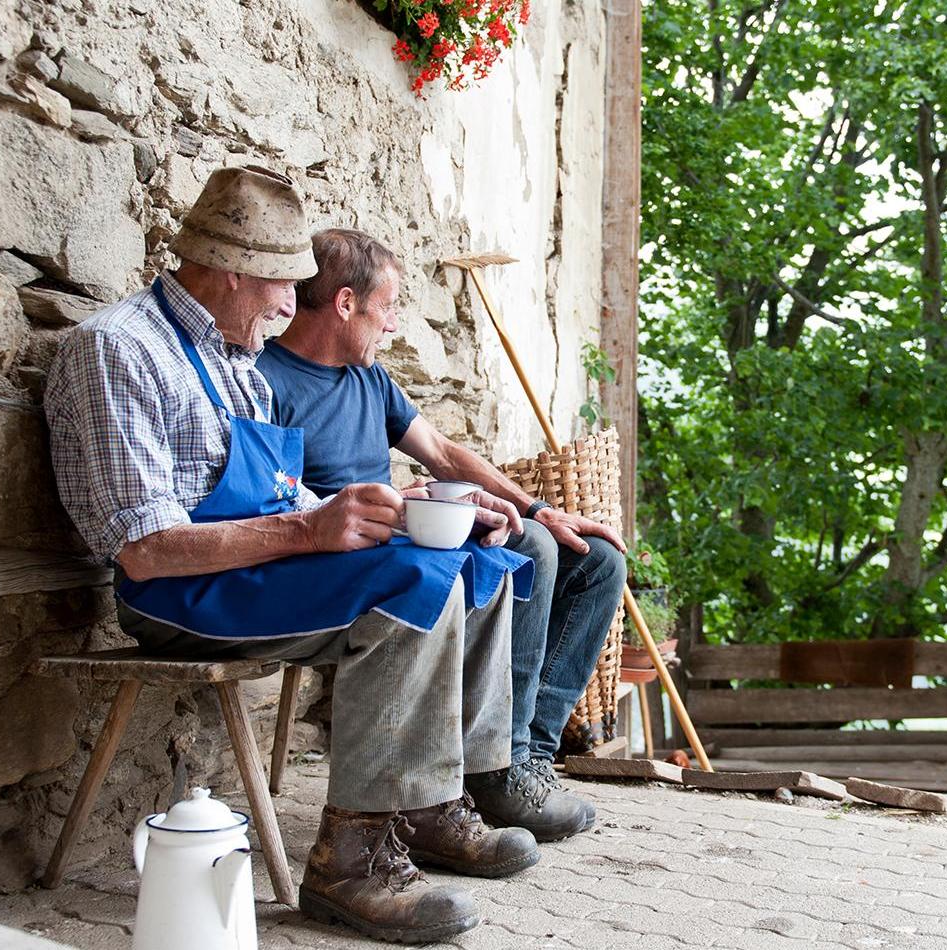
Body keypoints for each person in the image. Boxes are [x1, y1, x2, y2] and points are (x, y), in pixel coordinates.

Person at [45, 166, 538, 944]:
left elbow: (287, 500)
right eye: (283, 285)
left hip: (256, 569)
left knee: (472, 559)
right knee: (414, 578)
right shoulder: (119, 350)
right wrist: (314, 534)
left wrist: (421, 512)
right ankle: (351, 864)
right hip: (179, 594)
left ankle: (430, 800)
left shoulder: (236, 360)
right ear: (233, 271)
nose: (289, 307)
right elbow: (142, 551)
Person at [256, 228, 628, 844]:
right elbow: (279, 504)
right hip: (351, 559)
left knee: (592, 561)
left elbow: (445, 454)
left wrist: (538, 507)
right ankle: (496, 770)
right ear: (345, 304)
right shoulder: (267, 382)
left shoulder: (369, 380)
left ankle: (527, 755)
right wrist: (409, 508)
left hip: (407, 535)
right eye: (388, 308)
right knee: (525, 549)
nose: (395, 326)